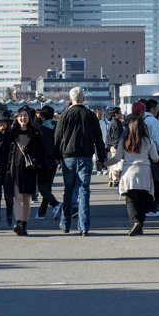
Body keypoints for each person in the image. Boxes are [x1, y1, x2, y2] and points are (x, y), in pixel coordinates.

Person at [53, 87, 107, 236]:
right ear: (83, 99)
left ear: (70, 99)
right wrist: (101, 159)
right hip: (85, 156)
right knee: (84, 191)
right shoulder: (90, 116)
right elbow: (99, 140)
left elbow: (57, 138)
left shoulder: (64, 115)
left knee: (68, 190)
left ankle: (65, 223)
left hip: (68, 156)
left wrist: (56, 155)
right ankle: (84, 227)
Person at [106, 112, 159, 235]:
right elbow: (155, 158)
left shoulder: (124, 141)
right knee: (142, 201)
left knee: (131, 201)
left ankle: (134, 222)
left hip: (129, 174)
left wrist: (104, 164)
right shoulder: (148, 141)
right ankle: (140, 226)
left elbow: (116, 159)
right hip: (145, 175)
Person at [0, 106, 47, 236]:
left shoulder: (36, 134)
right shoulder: (11, 133)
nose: (23, 118)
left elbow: (41, 154)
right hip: (14, 169)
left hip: (29, 170)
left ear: (29, 117)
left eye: (25, 115)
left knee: (26, 198)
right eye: (20, 115)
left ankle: (24, 225)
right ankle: (18, 222)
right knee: (18, 197)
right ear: (16, 118)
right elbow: (3, 152)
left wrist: (41, 171)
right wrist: (2, 169)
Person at [35, 106, 62, 220]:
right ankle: (42, 212)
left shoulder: (40, 129)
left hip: (43, 161)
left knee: (41, 186)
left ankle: (55, 204)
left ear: (42, 116)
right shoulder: (58, 127)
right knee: (48, 186)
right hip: (54, 160)